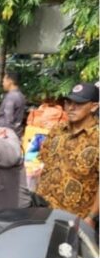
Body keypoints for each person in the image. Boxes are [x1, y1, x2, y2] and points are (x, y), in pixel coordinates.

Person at [37, 82, 99, 227]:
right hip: (43, 210)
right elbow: (45, 163)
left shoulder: (97, 137)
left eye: (79, 103)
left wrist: (92, 217)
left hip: (75, 218)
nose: (71, 107)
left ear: (94, 106)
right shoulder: (57, 130)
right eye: (68, 102)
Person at [0, 71, 26, 136]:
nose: (3, 83)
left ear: (10, 81)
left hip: (5, 130)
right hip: (16, 130)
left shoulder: (11, 97)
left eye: (4, 81)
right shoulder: (21, 96)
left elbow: (8, 120)